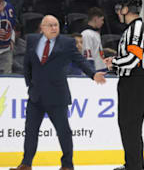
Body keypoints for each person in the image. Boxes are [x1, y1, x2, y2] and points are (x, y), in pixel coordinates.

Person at [9, 15, 107, 170]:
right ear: (42, 28)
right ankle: (26, 164)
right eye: (50, 25)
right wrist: (30, 84)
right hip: (36, 96)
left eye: (56, 25)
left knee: (63, 132)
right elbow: (27, 64)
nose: (54, 28)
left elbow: (79, 60)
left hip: (57, 95)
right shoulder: (32, 40)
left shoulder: (66, 43)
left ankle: (67, 165)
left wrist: (93, 74)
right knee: (30, 131)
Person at [104, 0, 144, 170]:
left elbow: (133, 59)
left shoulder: (137, 29)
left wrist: (115, 62)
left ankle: (135, 167)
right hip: (129, 80)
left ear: (126, 9)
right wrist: (115, 63)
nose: (118, 12)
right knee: (127, 125)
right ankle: (132, 164)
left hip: (136, 81)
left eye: (120, 8)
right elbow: (131, 58)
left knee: (131, 126)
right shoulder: (132, 29)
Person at [81, 7, 107, 72]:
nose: (103, 22)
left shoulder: (95, 33)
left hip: (101, 69)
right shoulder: (86, 34)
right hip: (95, 70)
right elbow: (87, 56)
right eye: (101, 20)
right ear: (95, 19)